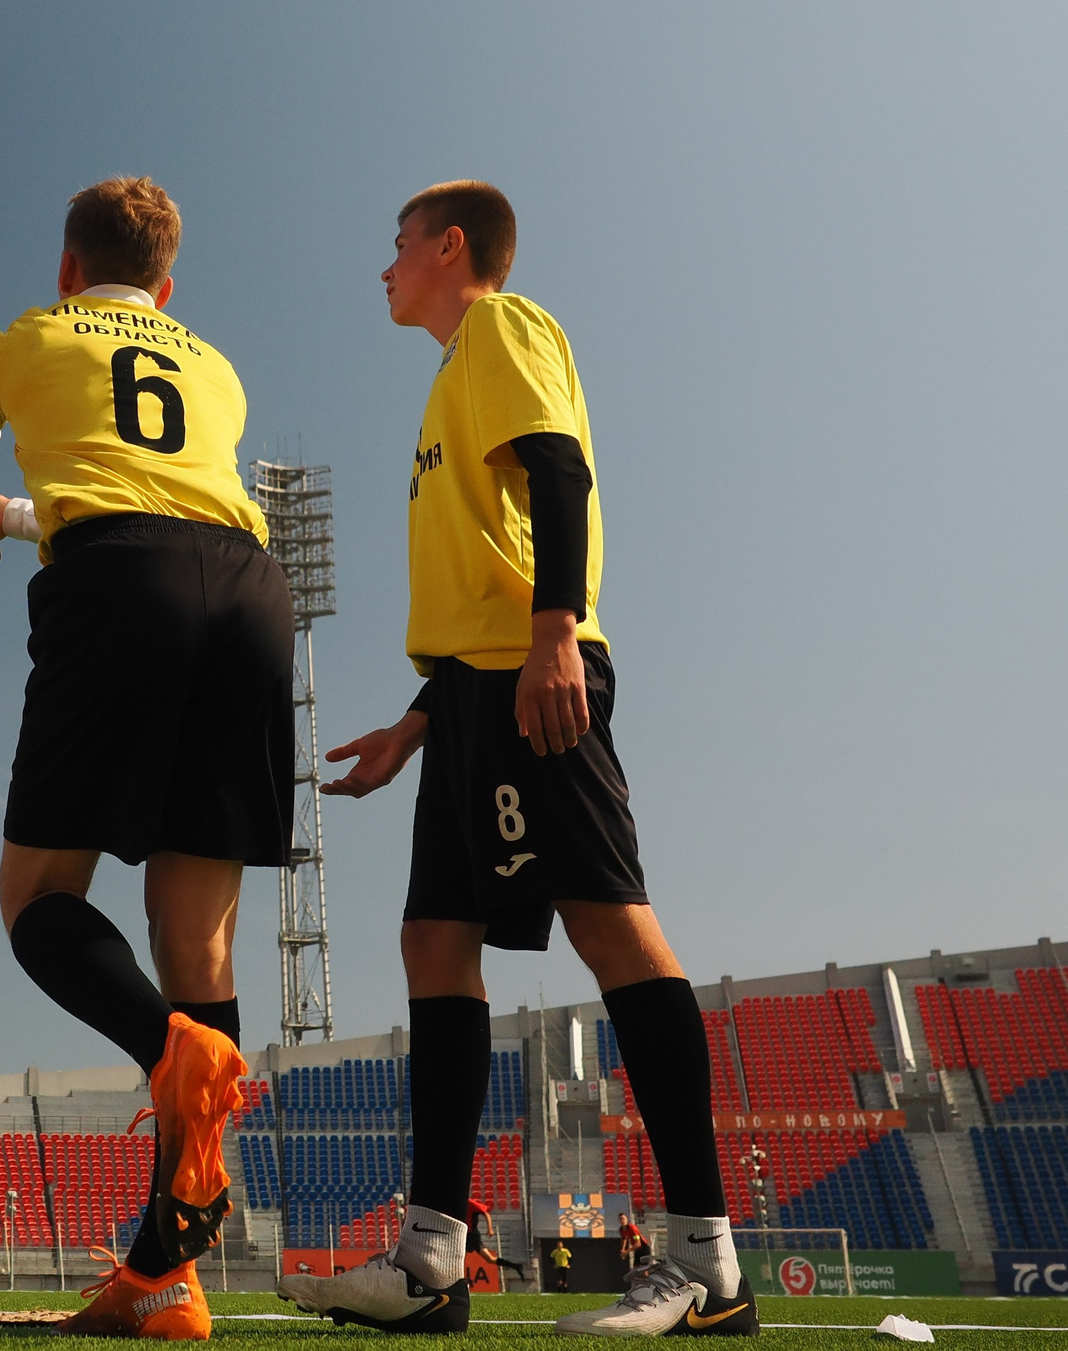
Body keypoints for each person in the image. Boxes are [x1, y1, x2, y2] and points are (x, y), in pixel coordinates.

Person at [279, 182, 756, 1338]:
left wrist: (554, 637)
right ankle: (430, 1261)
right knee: (431, 940)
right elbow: (482, 570)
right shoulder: (449, 376)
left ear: (450, 249)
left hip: (531, 674)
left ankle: (706, 1263)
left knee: (611, 925)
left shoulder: (501, 324)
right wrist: (418, 721)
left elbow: (559, 472)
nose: (384, 267)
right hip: (469, 692)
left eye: (397, 245)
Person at [0, 176, 292, 1340]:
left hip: (119, 590)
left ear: (65, 266)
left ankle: (167, 1053)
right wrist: (19, 517)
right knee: (198, 945)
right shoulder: (215, 368)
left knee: (38, 901)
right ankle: (166, 1281)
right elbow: (142, 490)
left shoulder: (25, 339)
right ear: (166, 286)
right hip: (249, 592)